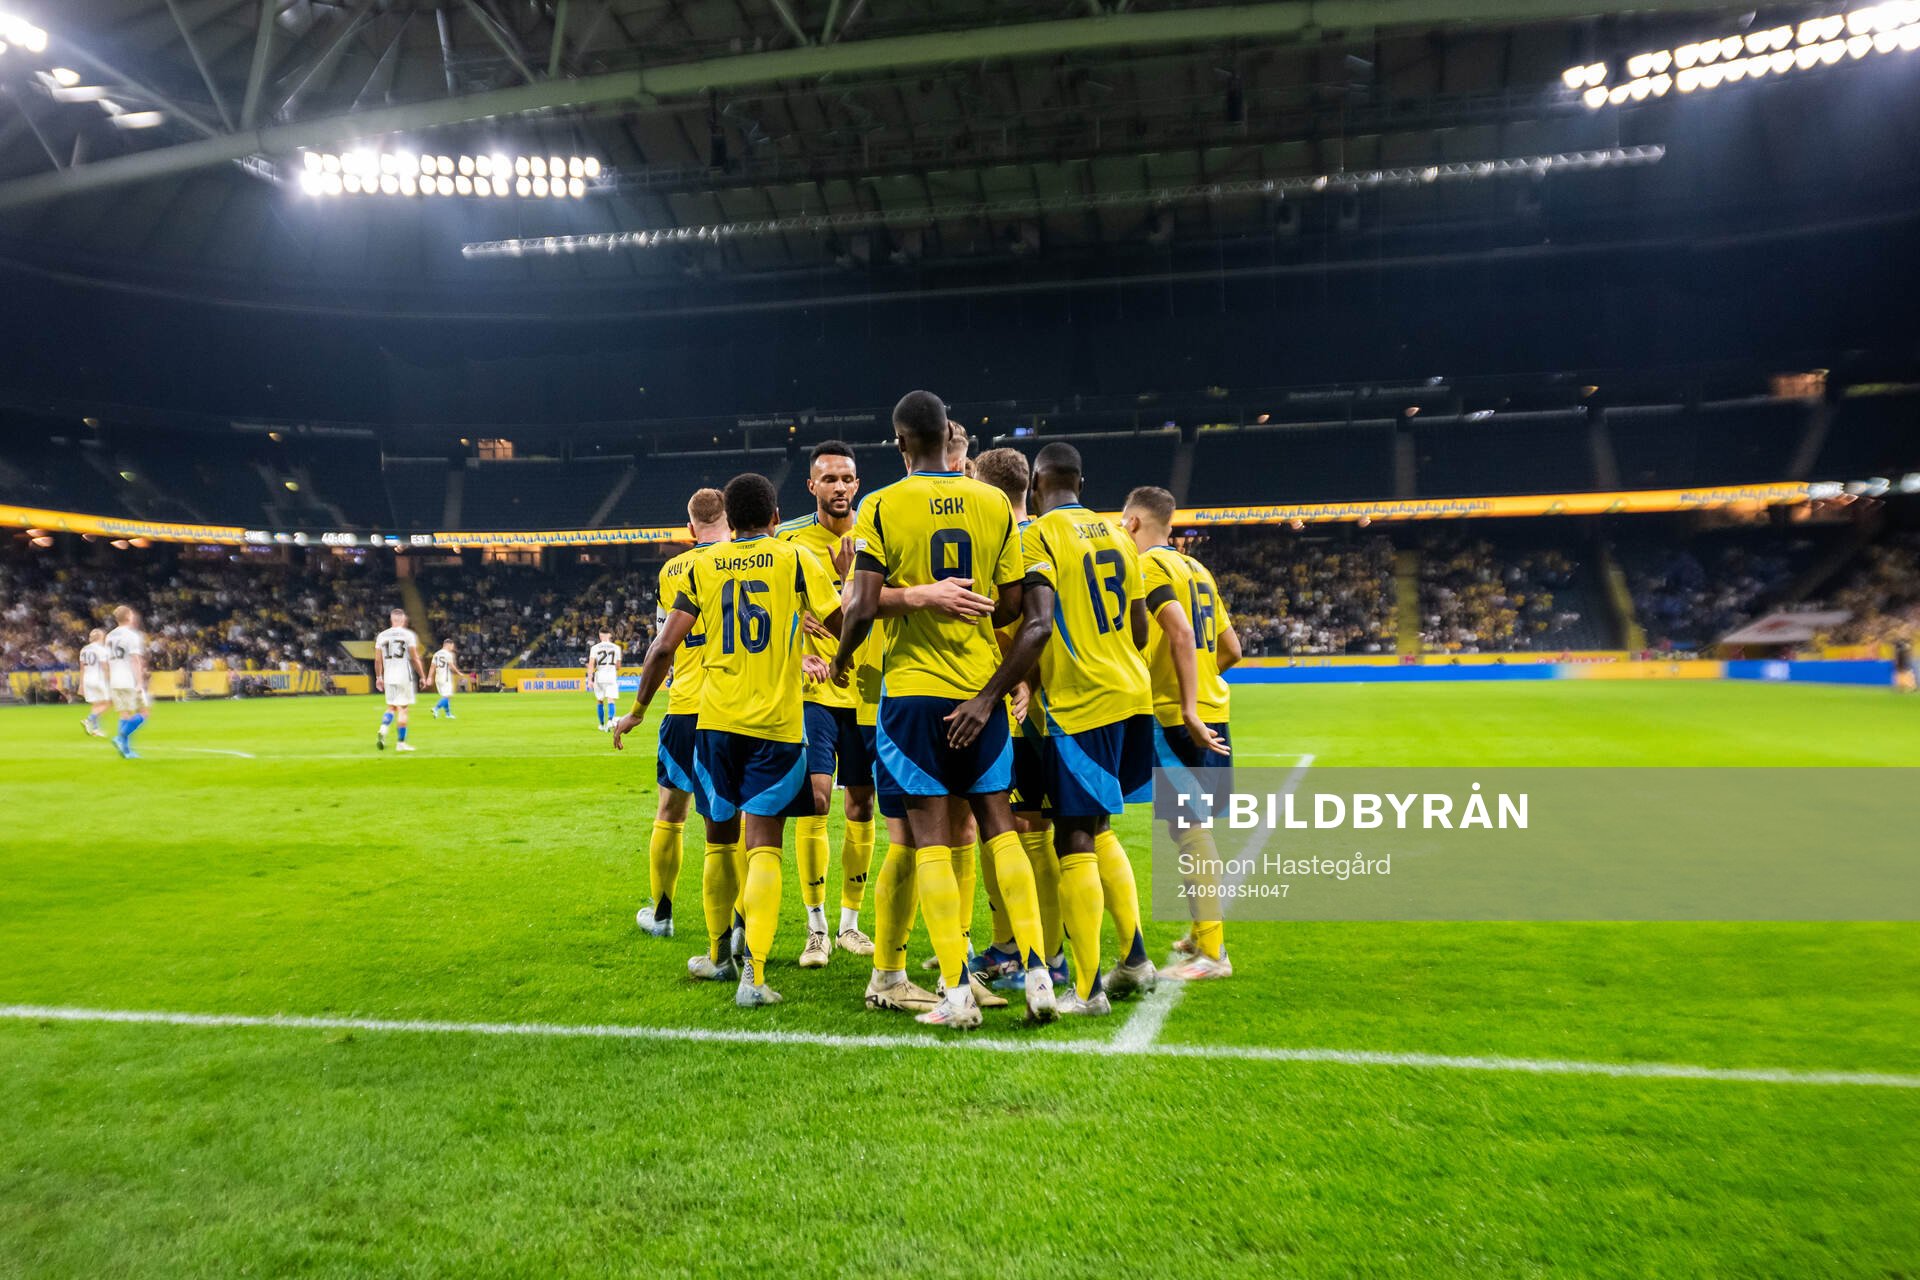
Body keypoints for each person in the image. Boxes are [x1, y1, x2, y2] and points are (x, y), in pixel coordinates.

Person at [831, 390, 1056, 1029]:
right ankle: (1038, 972)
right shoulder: (992, 503)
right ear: (948, 441)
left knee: (926, 838)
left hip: (912, 692)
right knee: (997, 826)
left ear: (901, 442)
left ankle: (955, 993)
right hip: (980, 687)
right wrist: (973, 601)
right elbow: (1013, 606)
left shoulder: (881, 505)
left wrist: (845, 658)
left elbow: (862, 605)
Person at [615, 474, 843, 1008]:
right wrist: (840, 659)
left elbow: (662, 647)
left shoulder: (696, 566)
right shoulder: (795, 559)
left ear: (729, 519)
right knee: (763, 844)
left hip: (713, 724)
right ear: (775, 515)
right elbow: (841, 619)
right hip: (778, 726)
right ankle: (754, 977)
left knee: (718, 840)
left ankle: (718, 957)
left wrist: (638, 711)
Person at [1003, 443, 1171, 1014]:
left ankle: (1087, 989)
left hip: (1082, 703)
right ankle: (1136, 961)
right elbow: (1142, 624)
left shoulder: (1038, 536)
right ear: (1081, 479)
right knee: (1098, 828)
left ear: (1037, 485)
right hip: (1132, 693)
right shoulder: (1120, 536)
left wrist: (1012, 683)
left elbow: (1039, 622)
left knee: (1072, 834)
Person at [1123, 485, 1242, 981]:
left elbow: (1180, 632)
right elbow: (1231, 649)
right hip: (1213, 708)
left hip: (1177, 716)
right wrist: (1202, 686)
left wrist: (1186, 705)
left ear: (1132, 523)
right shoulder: (1197, 569)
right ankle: (1200, 933)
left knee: (1191, 829)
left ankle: (1213, 954)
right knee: (1186, 826)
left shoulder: (1148, 566)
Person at [776, 441, 880, 966]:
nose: (840, 487)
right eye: (829, 479)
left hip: (867, 691)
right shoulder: (791, 541)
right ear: (811, 486)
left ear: (857, 484)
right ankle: (815, 927)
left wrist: (847, 586)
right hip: (815, 693)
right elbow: (775, 619)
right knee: (815, 799)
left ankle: (850, 924)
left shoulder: (878, 534)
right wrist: (797, 656)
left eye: (848, 478)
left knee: (862, 804)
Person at [969, 448, 1065, 989]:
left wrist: (1018, 682)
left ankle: (1041, 951)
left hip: (1026, 705)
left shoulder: (1018, 540)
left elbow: (1031, 623)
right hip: (1052, 703)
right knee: (1015, 825)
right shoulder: (1044, 534)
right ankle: (1014, 943)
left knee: (1025, 827)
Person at [630, 488, 730, 942]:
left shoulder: (672, 570)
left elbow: (662, 643)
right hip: (736, 707)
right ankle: (735, 928)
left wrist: (636, 711)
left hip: (686, 706)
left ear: (690, 528)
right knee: (730, 824)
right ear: (727, 518)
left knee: (670, 811)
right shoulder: (750, 557)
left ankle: (663, 913)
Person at [373, 608, 426, 753]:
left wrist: (379, 677)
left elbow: (378, 660)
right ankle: (401, 743)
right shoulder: (408, 635)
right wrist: (422, 676)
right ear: (403, 620)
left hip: (389, 677)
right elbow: (415, 658)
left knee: (391, 707)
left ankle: (383, 730)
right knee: (403, 709)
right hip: (404, 676)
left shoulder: (382, 636)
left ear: (391, 620)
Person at [104, 606, 150, 760]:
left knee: (124, 714)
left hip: (115, 679)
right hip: (128, 678)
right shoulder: (131, 635)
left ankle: (126, 751)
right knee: (144, 713)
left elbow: (108, 660)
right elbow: (135, 659)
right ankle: (120, 736)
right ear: (129, 617)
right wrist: (139, 682)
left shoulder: (109, 636)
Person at [586, 630, 623, 730]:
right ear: (610, 635)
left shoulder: (595, 648)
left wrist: (590, 680)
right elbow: (618, 666)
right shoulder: (616, 648)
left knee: (600, 701)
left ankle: (602, 725)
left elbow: (591, 664)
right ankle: (610, 721)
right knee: (611, 699)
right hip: (611, 676)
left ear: (600, 636)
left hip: (599, 676)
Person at [79, 627, 112, 738]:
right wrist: (110, 680)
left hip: (87, 679)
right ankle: (89, 719)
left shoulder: (84, 650)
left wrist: (81, 685)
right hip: (99, 679)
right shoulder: (102, 649)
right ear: (101, 637)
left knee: (96, 704)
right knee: (109, 703)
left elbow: (82, 668)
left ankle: (96, 729)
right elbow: (104, 667)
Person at [429, 640, 463, 718]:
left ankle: (448, 714)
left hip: (438, 678)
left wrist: (429, 677)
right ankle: (436, 708)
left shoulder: (436, 654)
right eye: (452, 646)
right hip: (445, 678)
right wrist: (458, 673)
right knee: (447, 696)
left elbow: (432, 667)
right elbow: (451, 666)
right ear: (448, 645)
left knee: (446, 697)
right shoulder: (448, 654)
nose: (452, 648)